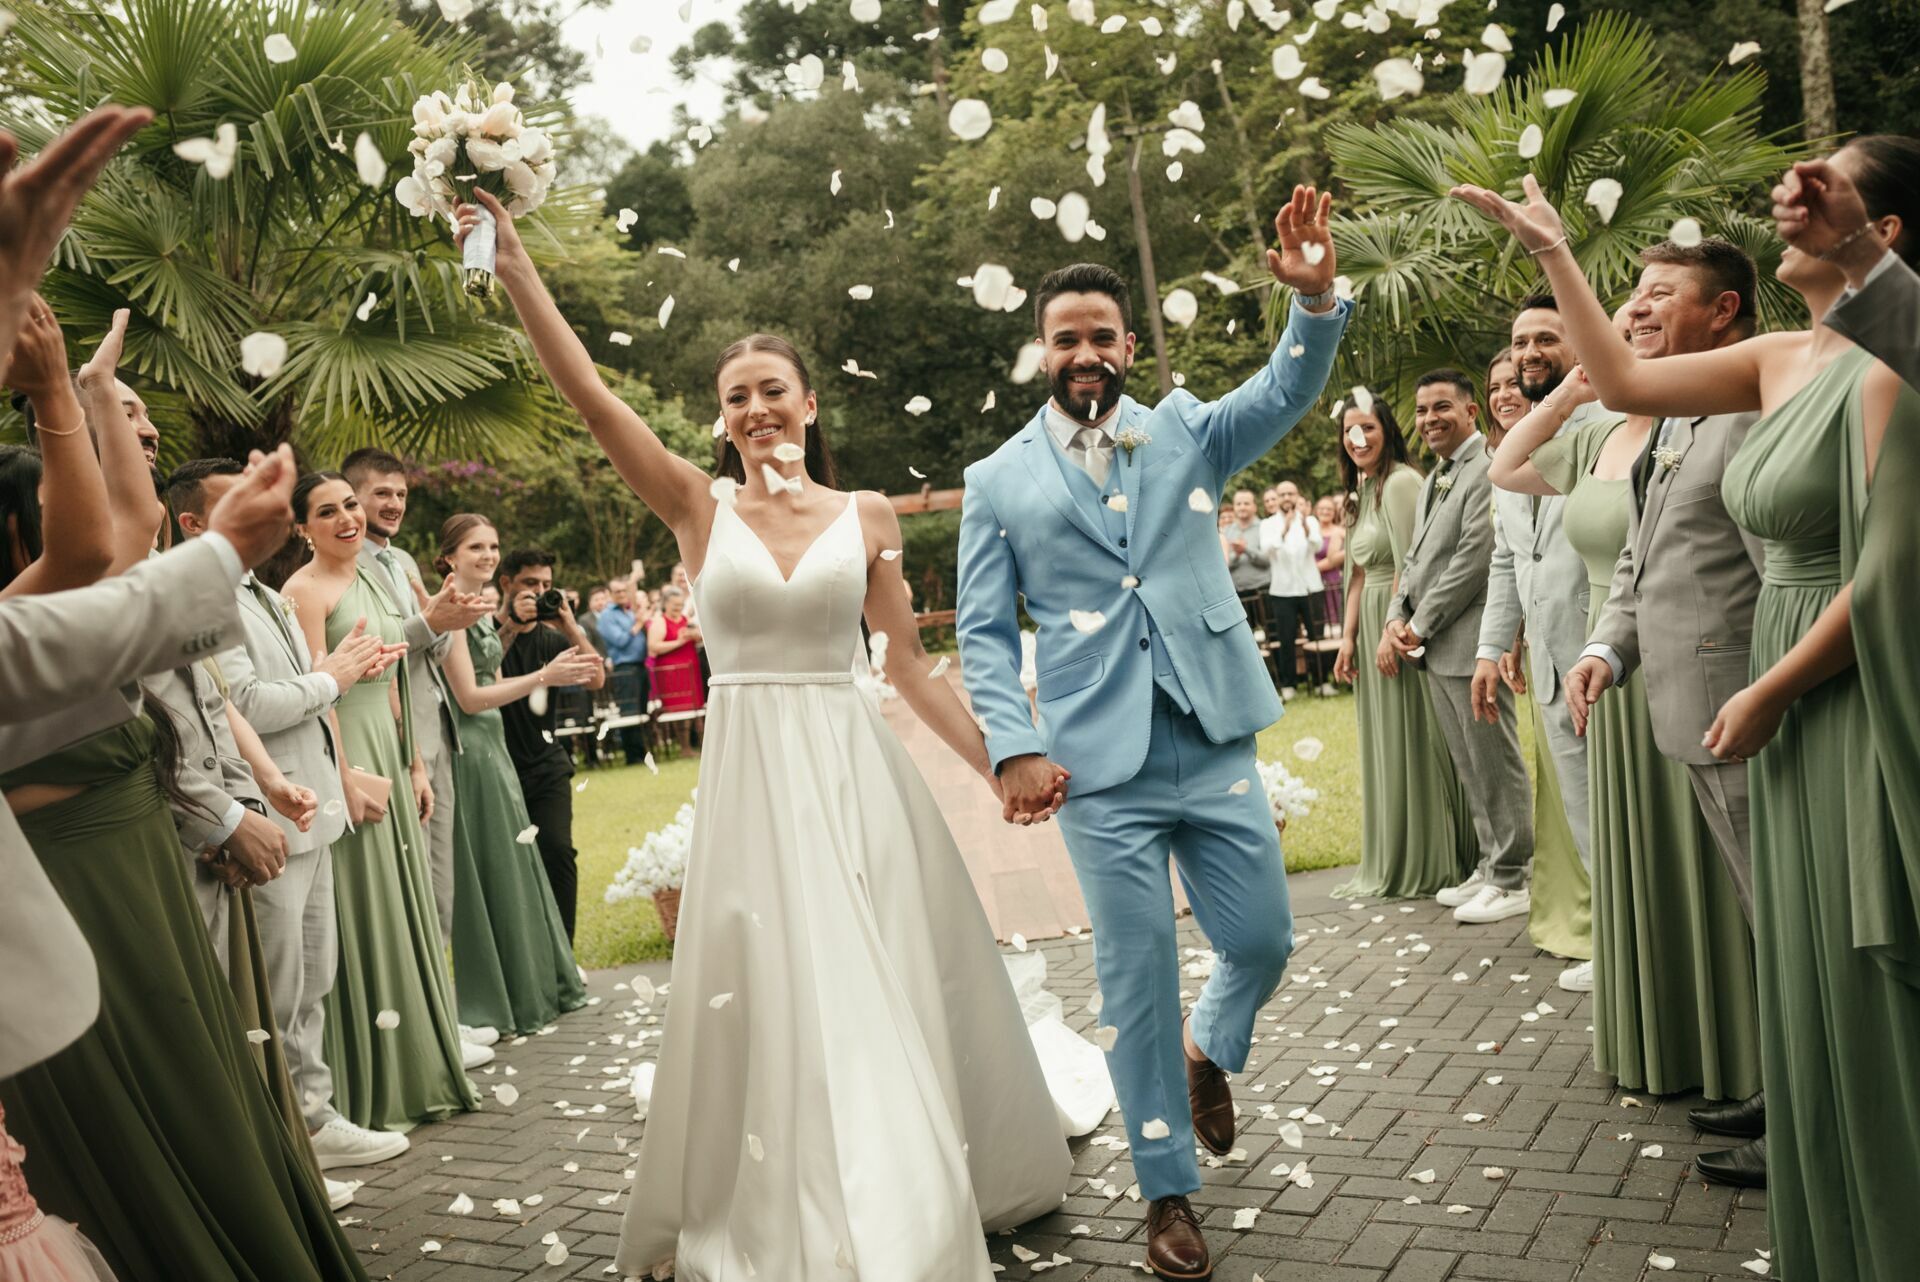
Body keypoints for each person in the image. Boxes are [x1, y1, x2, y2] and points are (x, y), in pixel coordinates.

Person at [457, 187, 1073, 1282]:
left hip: (855, 774)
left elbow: (913, 669)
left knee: (875, 976)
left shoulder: (869, 515)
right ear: (720, 416)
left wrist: (998, 767)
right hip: (752, 782)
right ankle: (788, 1196)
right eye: (736, 397)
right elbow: (594, 401)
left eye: (771, 390)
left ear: (809, 400)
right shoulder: (699, 508)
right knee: (778, 985)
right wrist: (516, 270)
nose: (755, 410)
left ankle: (914, 1188)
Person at [1455, 134, 1920, 1281]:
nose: (1798, 202)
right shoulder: (1776, 359)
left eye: (1836, 189)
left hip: (1840, 689)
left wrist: (1770, 684)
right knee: (1801, 950)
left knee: (1866, 957)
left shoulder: (1893, 366)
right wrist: (1558, 251)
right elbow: (1618, 386)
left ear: (1886, 232)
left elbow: (1891, 575)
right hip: (1775, 691)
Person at [959, 185, 1348, 1280]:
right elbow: (986, 637)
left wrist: (1315, 300)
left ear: (1129, 345)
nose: (1085, 352)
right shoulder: (997, 482)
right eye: (1064, 338)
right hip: (1097, 765)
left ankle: (1206, 1050)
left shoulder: (1184, 429)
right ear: (1041, 352)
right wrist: (1013, 740)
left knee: (1263, 939)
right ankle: (1166, 1193)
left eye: (1101, 335)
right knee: (1133, 977)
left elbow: (1288, 386)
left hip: (1212, 734)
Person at [0, 409, 369, 1280]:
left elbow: (126, 539)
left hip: (148, 879)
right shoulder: (34, 632)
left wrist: (77, 386)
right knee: (147, 1105)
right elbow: (111, 542)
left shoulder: (61, 627)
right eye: (53, 500)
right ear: (22, 526)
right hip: (76, 895)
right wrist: (61, 396)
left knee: (210, 1081)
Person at [1492, 283, 1763, 1108]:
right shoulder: (1610, 433)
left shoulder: (1724, 416)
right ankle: (1677, 1045)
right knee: (1637, 867)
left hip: (1702, 670)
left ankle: (1748, 1058)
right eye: (1619, 321)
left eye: (1652, 308)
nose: (1633, 328)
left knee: (1723, 879)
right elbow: (1508, 466)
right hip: (1611, 672)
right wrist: (1580, 385)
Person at [1549, 240, 1772, 1174]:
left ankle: (1813, 1116)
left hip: (1750, 710)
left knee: (1785, 913)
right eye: (1631, 296)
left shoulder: (1756, 405)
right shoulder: (1675, 410)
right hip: (1684, 706)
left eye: (1659, 296)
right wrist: (1606, 647)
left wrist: (1782, 688)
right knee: (1766, 915)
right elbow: (1644, 560)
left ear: (1722, 312)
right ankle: (1792, 1085)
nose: (1635, 310)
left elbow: (1779, 567)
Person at [167, 458, 418, 1182]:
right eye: (235, 503)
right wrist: (330, 678)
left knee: (314, 981)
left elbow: (302, 690)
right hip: (265, 821)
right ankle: (284, 1147)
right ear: (192, 524)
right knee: (272, 992)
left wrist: (344, 676)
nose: (263, 514)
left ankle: (317, 1115)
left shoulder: (260, 592)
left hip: (312, 807)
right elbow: (245, 705)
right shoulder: (202, 599)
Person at [281, 472, 482, 1129]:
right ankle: (373, 1083)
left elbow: (393, 678)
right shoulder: (301, 592)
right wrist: (341, 776)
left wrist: (415, 763)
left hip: (392, 751)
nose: (346, 518)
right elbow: (318, 691)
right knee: (363, 911)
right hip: (344, 756)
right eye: (326, 511)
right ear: (300, 527)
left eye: (349, 506)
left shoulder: (375, 576)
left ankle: (421, 1058)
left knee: (406, 906)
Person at [1452, 296, 1598, 920]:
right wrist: (1492, 647)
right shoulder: (1513, 447)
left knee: (1624, 809)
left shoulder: (1605, 424)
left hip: (1606, 653)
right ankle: (1612, 939)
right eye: (1519, 344)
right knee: (1583, 809)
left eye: (1545, 339)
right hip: (1545, 663)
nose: (1529, 354)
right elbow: (1511, 560)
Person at [433, 514, 594, 1034]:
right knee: (496, 870)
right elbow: (470, 696)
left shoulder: (479, 609)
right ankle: (499, 996)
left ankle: (539, 982)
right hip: (473, 748)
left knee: (519, 867)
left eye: (493, 545)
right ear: (449, 558)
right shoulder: (453, 607)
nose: (487, 554)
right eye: (475, 547)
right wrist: (546, 675)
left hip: (496, 743)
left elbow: (494, 674)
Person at [343, 448, 490, 1015]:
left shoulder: (402, 559)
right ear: (353, 496)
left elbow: (438, 642)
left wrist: (449, 616)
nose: (394, 504)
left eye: (401, 494)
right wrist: (431, 620)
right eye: (381, 493)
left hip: (434, 735)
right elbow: (379, 641)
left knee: (440, 882)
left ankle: (442, 1015)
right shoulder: (348, 563)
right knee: (411, 882)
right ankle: (426, 1019)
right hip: (389, 739)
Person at [1384, 370, 1534, 914]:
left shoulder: (1490, 467)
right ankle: (1492, 863)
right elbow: (1417, 558)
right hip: (1435, 646)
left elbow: (1475, 558)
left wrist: (1419, 624)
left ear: (1472, 411)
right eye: (1422, 411)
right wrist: (1396, 615)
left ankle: (1516, 875)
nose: (1429, 420)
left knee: (1495, 759)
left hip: (1471, 641)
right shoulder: (1434, 478)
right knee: (1469, 763)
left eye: (1441, 407)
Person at [1329, 394, 1480, 902]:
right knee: (1384, 740)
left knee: (1413, 736)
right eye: (1350, 432)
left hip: (1398, 624)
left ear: (1386, 430)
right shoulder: (1359, 492)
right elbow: (1355, 576)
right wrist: (1347, 638)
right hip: (1368, 621)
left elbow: (1408, 566)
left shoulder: (1399, 484)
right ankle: (1396, 849)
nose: (1359, 440)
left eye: (1367, 428)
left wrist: (1390, 633)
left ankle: (1434, 853)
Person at [491, 546, 607, 939]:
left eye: (546, 585)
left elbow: (595, 680)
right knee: (510, 866)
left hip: (547, 764)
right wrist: (511, 624)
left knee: (558, 852)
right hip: (497, 766)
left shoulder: (553, 640)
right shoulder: (484, 632)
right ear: (506, 584)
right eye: (530, 584)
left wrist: (569, 625)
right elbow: (481, 676)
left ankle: (565, 952)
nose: (539, 592)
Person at [1263, 480, 1322, 700]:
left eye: (1291, 493)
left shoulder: (1310, 520)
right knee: (1286, 638)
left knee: (1317, 635)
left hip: (1310, 587)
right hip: (1282, 590)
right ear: (1276, 498)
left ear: (1298, 496)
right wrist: (1285, 528)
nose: (1287, 497)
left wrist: (1305, 526)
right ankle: (1289, 685)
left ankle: (1320, 681)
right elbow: (1268, 549)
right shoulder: (1268, 524)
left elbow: (1316, 546)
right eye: (1282, 494)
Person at [599, 576, 654, 764]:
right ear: (609, 594)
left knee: (641, 710)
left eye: (624, 591)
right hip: (624, 668)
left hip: (640, 666)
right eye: (617, 592)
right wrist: (638, 624)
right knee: (629, 712)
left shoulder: (628, 612)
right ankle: (633, 756)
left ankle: (642, 752)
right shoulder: (607, 616)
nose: (622, 594)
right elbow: (620, 641)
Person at [646, 584, 706, 729]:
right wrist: (679, 642)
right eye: (675, 605)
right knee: (678, 708)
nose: (678, 608)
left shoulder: (686, 619)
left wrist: (695, 635)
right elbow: (653, 647)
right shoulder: (660, 622)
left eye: (681, 604)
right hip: (671, 672)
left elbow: (701, 638)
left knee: (696, 706)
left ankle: (700, 743)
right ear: (665, 604)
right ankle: (684, 746)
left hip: (691, 668)